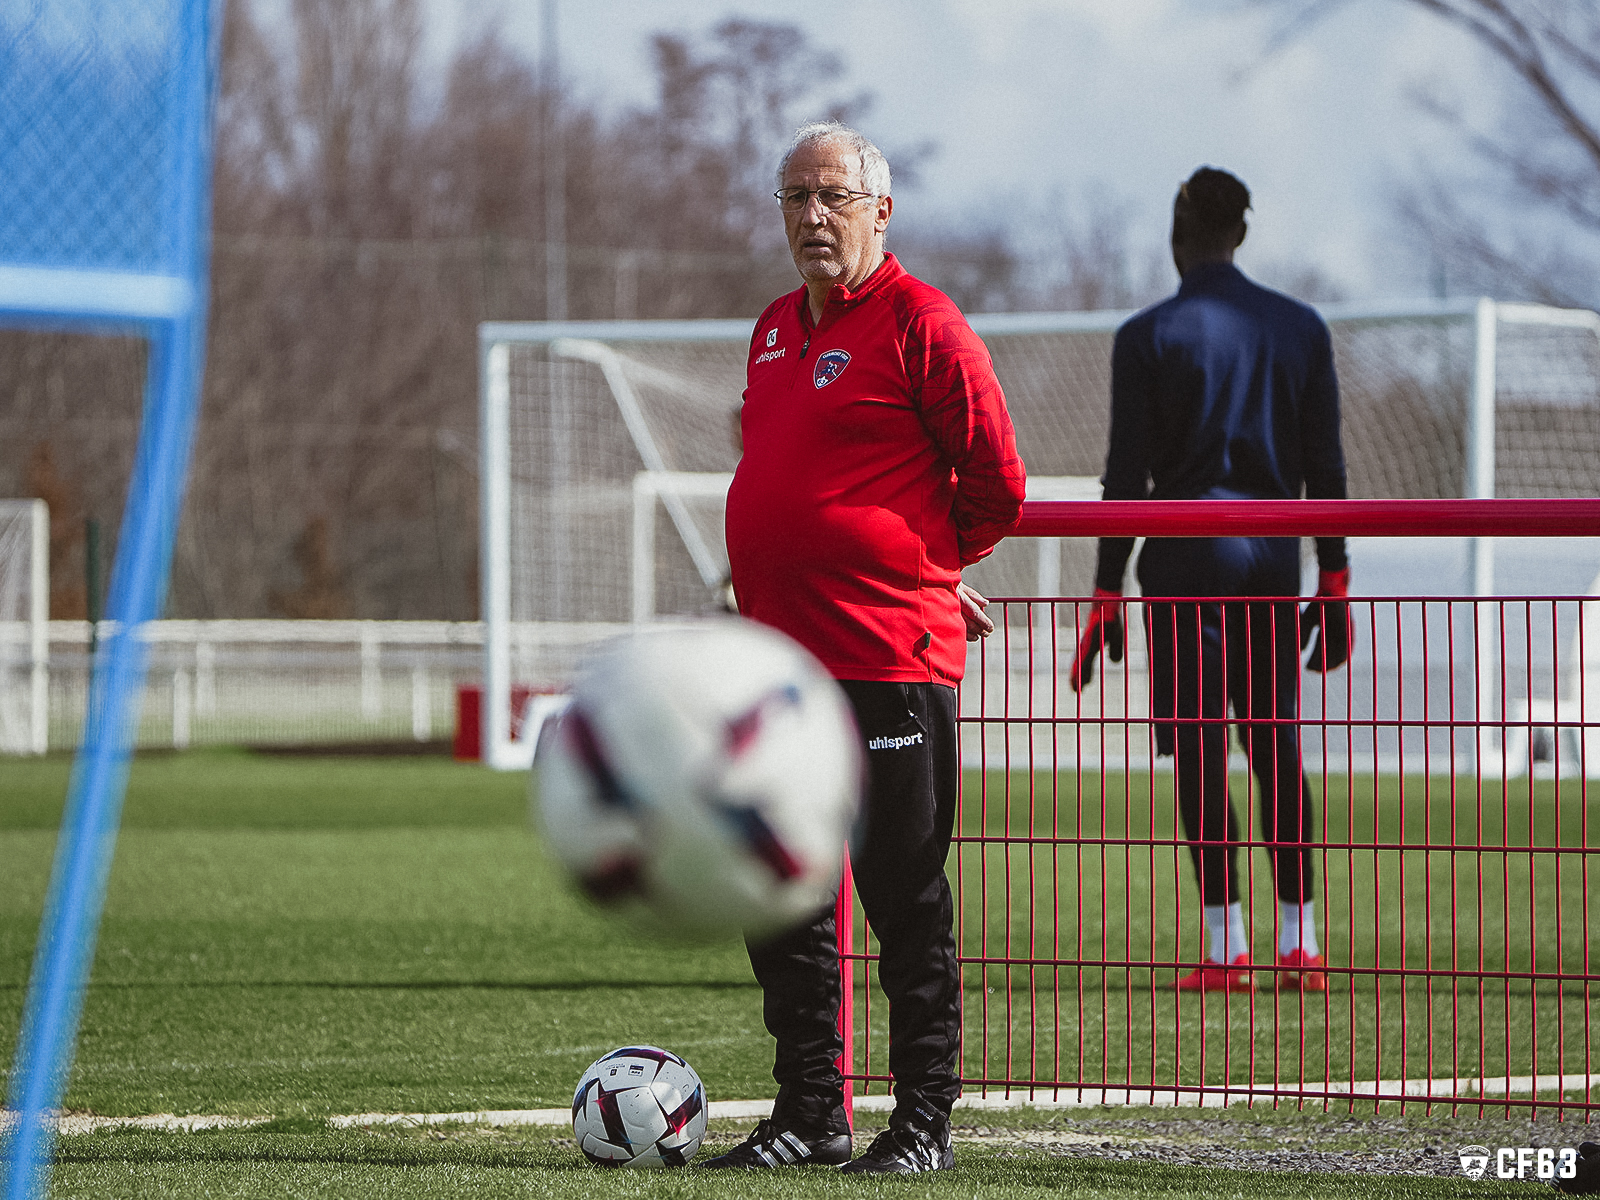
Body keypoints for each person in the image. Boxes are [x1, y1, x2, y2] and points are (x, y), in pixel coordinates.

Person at [709, 121, 1027, 1173]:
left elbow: (996, 484)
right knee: (781, 891)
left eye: (832, 195)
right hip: (778, 667)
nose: (811, 215)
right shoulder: (769, 331)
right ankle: (810, 1114)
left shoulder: (925, 326)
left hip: (889, 663)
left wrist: (925, 568)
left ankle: (922, 1125)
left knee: (901, 897)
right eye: (794, 196)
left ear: (880, 211)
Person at [1069, 166, 1352, 994]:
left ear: (1175, 233)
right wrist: (1333, 576)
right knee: (1276, 746)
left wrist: (1104, 588)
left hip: (1181, 564)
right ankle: (1300, 942)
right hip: (1271, 561)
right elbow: (1325, 466)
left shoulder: (1147, 336)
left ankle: (1226, 949)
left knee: (1198, 750)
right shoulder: (1301, 327)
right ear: (1243, 233)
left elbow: (1124, 477)